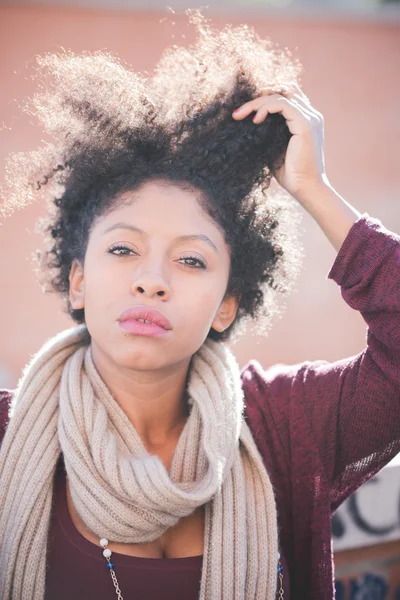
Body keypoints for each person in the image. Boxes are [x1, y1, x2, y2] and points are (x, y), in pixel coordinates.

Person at [0, 12, 399, 600]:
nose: (152, 281)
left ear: (227, 304)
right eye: (123, 249)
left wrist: (313, 187)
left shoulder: (287, 425)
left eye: (191, 261)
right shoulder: (9, 433)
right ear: (78, 282)